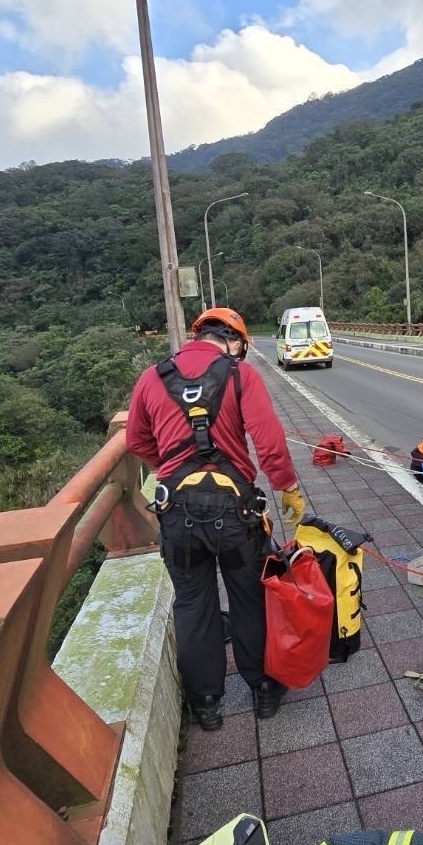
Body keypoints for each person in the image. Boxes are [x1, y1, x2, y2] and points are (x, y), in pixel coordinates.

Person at [126, 308, 307, 731]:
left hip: (177, 512)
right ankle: (263, 688)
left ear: (197, 336)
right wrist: (288, 486)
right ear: (234, 340)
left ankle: (206, 703)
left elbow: (136, 439)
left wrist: (168, 467)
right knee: (249, 598)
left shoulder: (153, 377)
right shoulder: (241, 376)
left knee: (193, 604)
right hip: (235, 513)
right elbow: (269, 441)